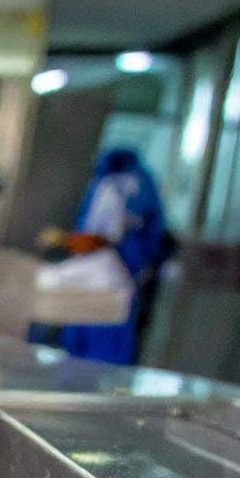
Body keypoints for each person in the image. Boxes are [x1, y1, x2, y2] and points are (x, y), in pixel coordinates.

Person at [42, 146, 170, 365]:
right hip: (121, 280)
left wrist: (63, 239)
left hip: (104, 282)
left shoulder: (113, 186)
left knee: (90, 366)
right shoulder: (142, 182)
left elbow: (104, 237)